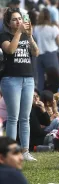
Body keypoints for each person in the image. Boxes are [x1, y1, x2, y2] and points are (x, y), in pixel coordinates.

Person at [0, 8, 39, 161]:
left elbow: (36, 52)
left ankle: (25, 151)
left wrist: (30, 36)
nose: (18, 22)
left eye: (20, 19)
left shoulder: (25, 35)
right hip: (11, 79)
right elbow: (10, 50)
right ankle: (8, 151)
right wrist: (19, 33)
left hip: (28, 79)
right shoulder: (4, 36)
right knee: (13, 117)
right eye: (15, 19)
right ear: (8, 23)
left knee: (25, 117)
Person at [34, 8, 59, 92]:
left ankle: (40, 95)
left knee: (40, 78)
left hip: (39, 55)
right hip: (51, 54)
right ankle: (55, 94)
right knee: (54, 77)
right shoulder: (53, 28)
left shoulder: (36, 28)